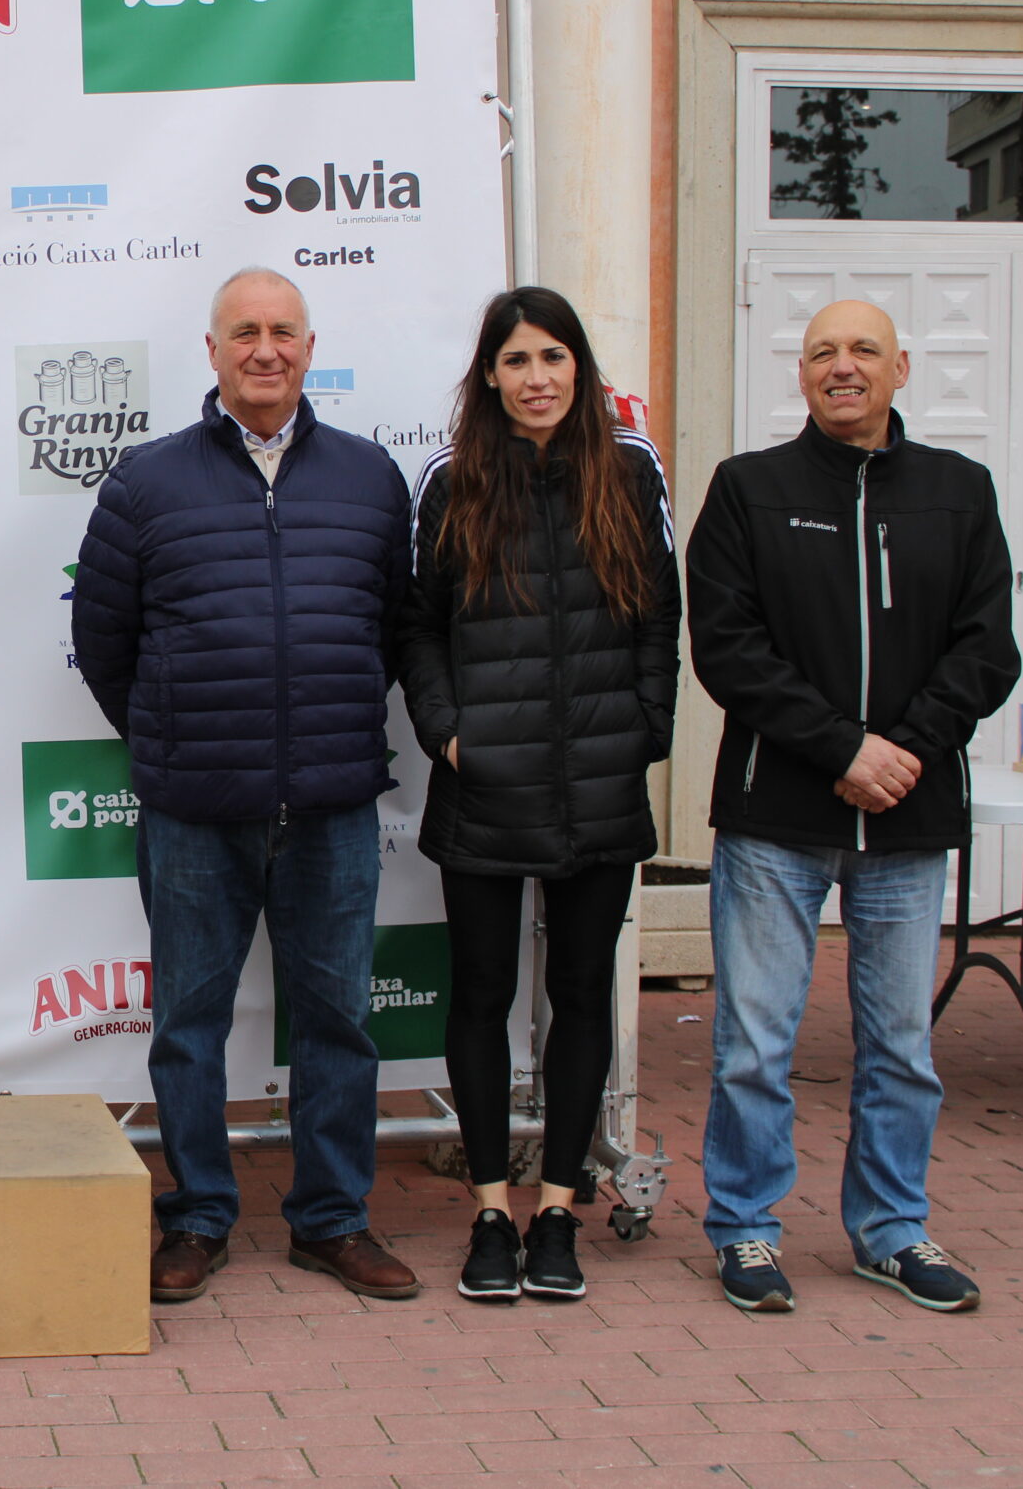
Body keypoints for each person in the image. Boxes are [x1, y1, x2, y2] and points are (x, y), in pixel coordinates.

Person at [73, 267, 418, 1304]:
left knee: (337, 1021)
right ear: (213, 350)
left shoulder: (369, 477)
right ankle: (197, 1217)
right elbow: (104, 640)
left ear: (309, 347)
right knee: (188, 1025)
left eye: (282, 331)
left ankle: (331, 1219)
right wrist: (177, 736)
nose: (265, 349)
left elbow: (391, 630)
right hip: (194, 806)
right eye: (244, 332)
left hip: (331, 804)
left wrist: (319, 724)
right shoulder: (146, 480)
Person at [687, 297, 1018, 1314]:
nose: (843, 367)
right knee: (754, 1044)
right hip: (775, 818)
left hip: (908, 818)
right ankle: (745, 1227)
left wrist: (902, 752)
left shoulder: (959, 491)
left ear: (899, 369)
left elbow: (986, 648)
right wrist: (842, 748)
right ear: (801, 374)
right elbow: (728, 649)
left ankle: (891, 1228)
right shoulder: (748, 489)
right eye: (823, 351)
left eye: (864, 350)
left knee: (901, 1047)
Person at [393, 287, 679, 1304]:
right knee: (480, 996)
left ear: (579, 367)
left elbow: (660, 616)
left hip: (599, 780)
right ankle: (487, 1212)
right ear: (489, 375)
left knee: (581, 994)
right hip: (485, 785)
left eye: (553, 356)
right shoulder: (451, 479)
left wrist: (645, 730)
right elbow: (415, 625)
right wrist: (447, 733)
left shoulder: (630, 467)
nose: (537, 377)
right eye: (516, 360)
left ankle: (556, 1210)